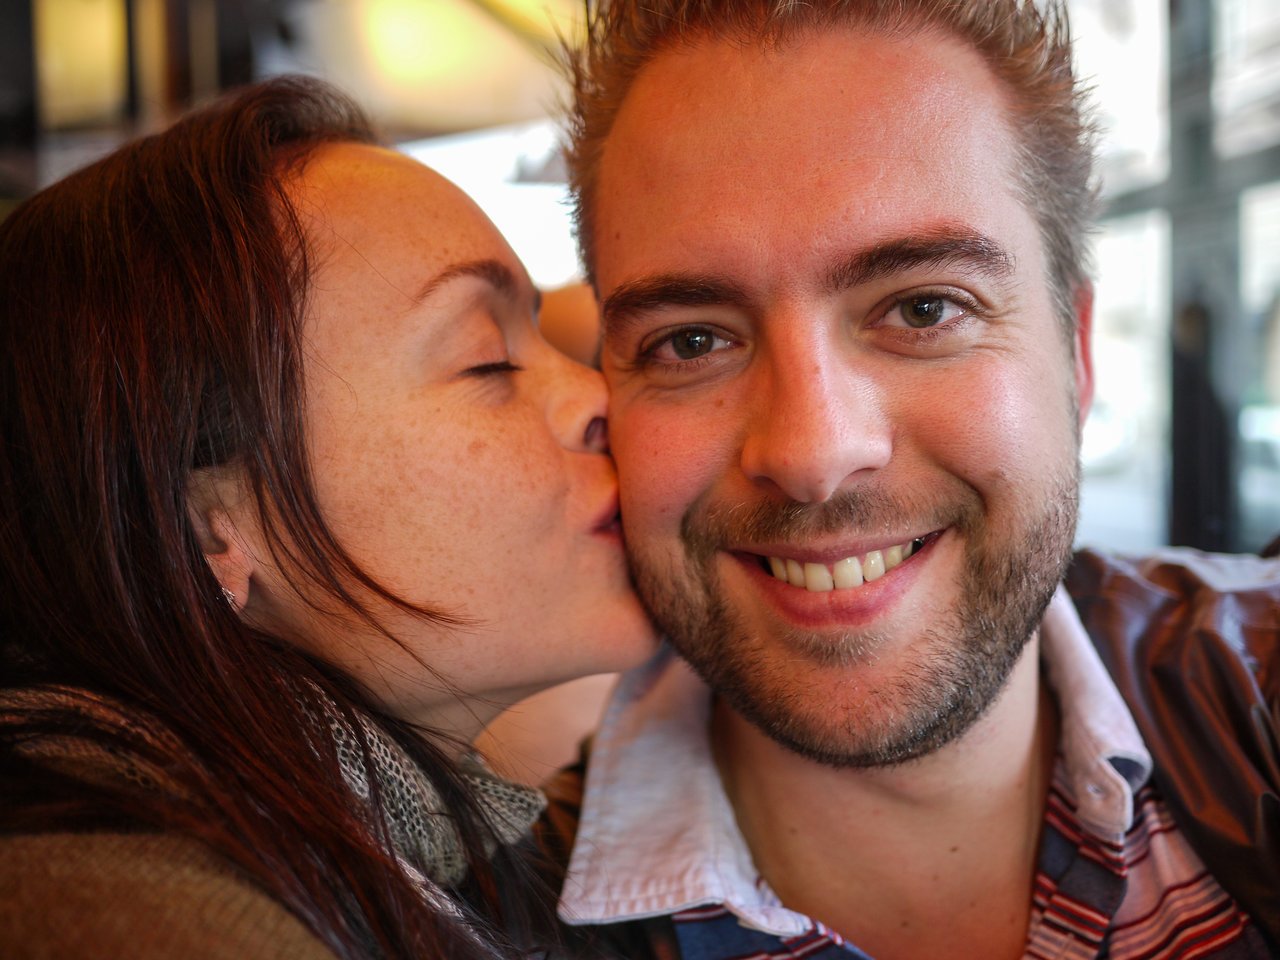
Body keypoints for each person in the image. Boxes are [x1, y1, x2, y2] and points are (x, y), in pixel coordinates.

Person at [543, 1, 1280, 958]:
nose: (812, 453)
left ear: (1078, 353)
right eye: (691, 341)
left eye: (925, 308)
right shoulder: (470, 932)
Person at [0, 76, 656, 959]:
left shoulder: (386, 846)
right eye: (487, 362)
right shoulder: (142, 911)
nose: (599, 394)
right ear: (208, 528)